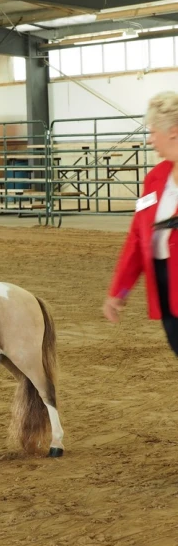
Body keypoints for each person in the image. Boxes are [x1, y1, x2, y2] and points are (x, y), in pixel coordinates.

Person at [104, 91, 178, 355]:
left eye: (153, 131)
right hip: (167, 289)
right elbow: (138, 239)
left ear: (173, 131)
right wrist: (120, 291)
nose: (150, 139)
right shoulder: (154, 179)